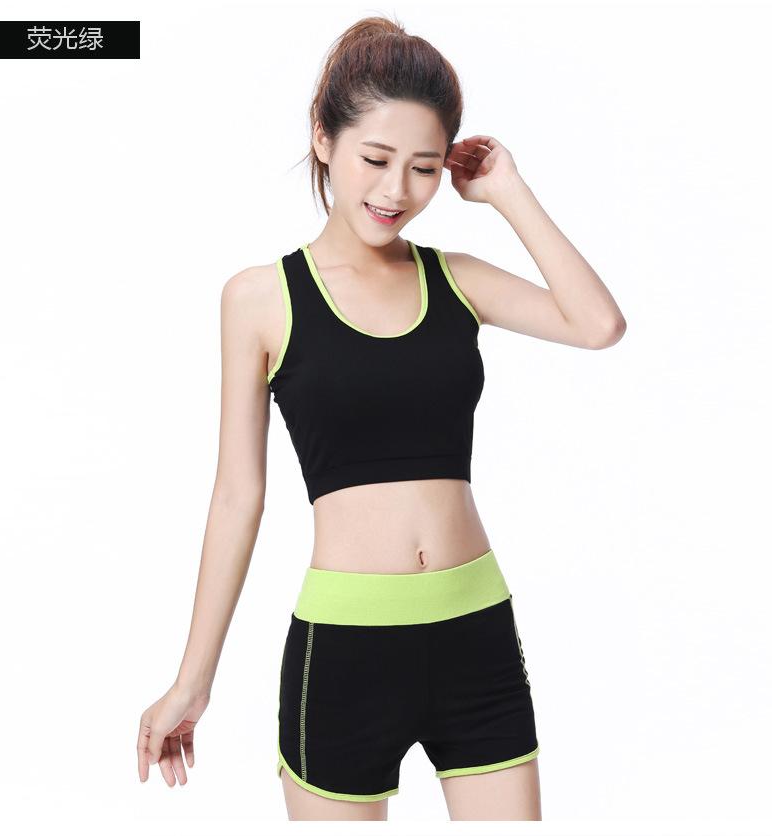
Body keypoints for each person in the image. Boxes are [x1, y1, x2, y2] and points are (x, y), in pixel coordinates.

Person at [136, 14, 626, 822]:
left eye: (424, 168)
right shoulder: (260, 299)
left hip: (476, 637)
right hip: (345, 653)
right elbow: (237, 496)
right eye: (375, 159)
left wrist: (508, 192)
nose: (397, 190)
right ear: (323, 138)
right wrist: (194, 679)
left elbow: (598, 325)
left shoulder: (457, 279)